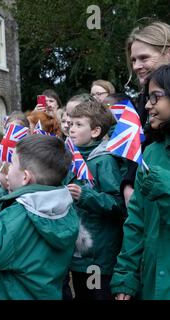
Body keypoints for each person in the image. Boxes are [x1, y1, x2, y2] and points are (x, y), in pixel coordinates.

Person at [0, 135, 79, 299]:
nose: (8, 168)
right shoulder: (64, 207)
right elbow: (28, 257)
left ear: (25, 177)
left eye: (12, 163)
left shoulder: (21, 213)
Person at [111, 65, 170, 300]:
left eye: (156, 97)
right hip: (153, 283)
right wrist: (125, 276)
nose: (147, 106)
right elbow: (136, 221)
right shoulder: (151, 154)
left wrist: (166, 186)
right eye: (147, 98)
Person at [66, 101, 124, 300]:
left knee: (96, 296)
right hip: (78, 254)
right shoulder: (72, 159)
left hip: (98, 257)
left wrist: (85, 196)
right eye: (71, 124)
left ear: (95, 131)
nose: (71, 129)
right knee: (82, 295)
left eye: (79, 124)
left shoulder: (104, 161)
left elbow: (118, 204)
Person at [122, 21, 170, 205]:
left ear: (167, 53)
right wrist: (128, 185)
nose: (136, 66)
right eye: (133, 60)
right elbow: (138, 148)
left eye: (144, 58)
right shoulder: (142, 101)